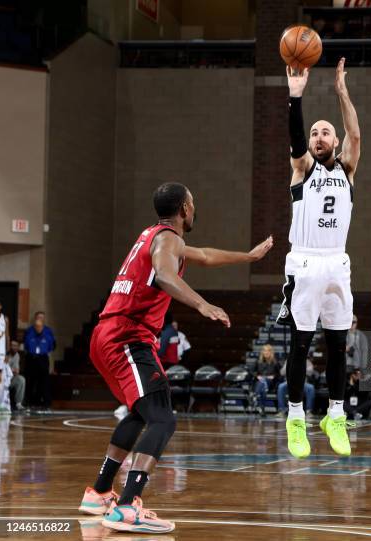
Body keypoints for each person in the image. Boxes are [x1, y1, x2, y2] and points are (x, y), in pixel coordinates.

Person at [78, 182, 272, 533]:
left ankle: (100, 492)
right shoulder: (167, 239)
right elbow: (166, 275)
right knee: (164, 419)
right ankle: (126, 506)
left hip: (107, 335)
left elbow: (207, 255)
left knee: (141, 413)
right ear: (184, 208)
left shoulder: (156, 235)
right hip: (127, 336)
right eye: (193, 204)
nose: (195, 210)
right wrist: (203, 304)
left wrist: (249, 257)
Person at [277, 57, 361, 459]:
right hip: (306, 263)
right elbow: (295, 140)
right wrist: (297, 97)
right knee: (299, 344)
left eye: (325, 132)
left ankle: (336, 415)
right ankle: (295, 417)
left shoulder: (346, 169)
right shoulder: (302, 169)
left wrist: (342, 93)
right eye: (314, 132)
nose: (318, 136)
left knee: (338, 345)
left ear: (335, 140)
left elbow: (356, 135)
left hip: (337, 264)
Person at [24, 316, 55, 408]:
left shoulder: (47, 335)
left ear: (42, 326)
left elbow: (51, 347)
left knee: (44, 381)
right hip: (32, 358)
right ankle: (30, 402)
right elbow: (26, 346)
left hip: (43, 358)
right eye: (36, 326)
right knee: (30, 381)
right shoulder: (30, 333)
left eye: (40, 326)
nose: (38, 328)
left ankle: (45, 402)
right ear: (34, 326)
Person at [253, 344, 280, 416]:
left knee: (264, 383)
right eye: (264, 351)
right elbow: (253, 372)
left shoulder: (275, 362)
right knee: (263, 387)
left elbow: (279, 374)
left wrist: (273, 376)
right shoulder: (258, 361)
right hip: (260, 382)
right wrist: (257, 376)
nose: (266, 352)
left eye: (268, 351)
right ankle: (262, 409)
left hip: (271, 383)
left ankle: (255, 395)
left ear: (271, 352)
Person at [6, 341, 25, 411]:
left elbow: (16, 371)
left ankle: (18, 403)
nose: (14, 347)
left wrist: (10, 369)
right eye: (12, 345)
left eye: (16, 346)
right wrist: (11, 369)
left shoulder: (17, 355)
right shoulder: (3, 353)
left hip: (10, 378)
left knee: (21, 379)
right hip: (1, 378)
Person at [0, 300, 9, 368]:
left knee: (0, 375)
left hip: (1, 352)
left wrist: (7, 353)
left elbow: (7, 336)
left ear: (0, 307)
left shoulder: (5, 319)